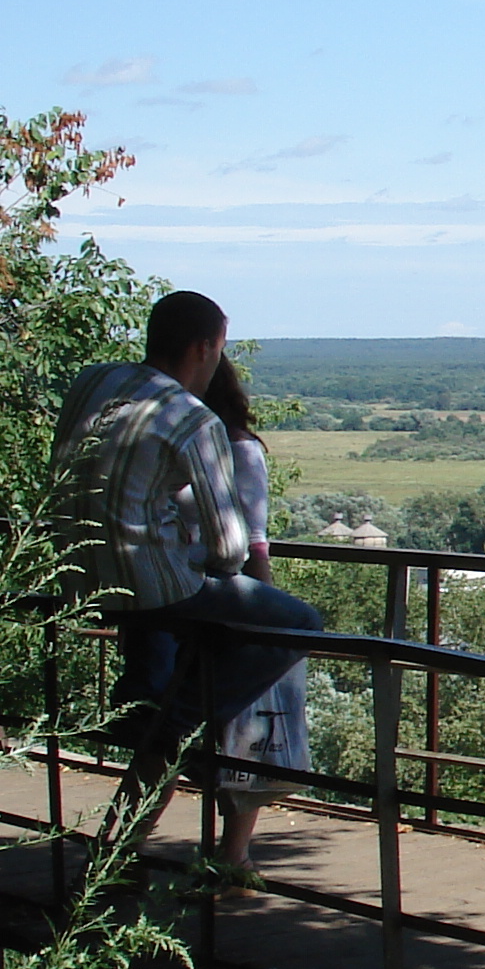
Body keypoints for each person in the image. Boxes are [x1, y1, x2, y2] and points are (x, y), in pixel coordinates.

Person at [52, 290, 325, 853]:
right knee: (299, 623)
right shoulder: (192, 418)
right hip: (152, 587)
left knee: (172, 640)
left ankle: (149, 716)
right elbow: (229, 550)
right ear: (205, 347)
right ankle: (179, 724)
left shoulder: (93, 382)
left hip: (75, 578)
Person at [185, 355, 310, 883]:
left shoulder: (180, 444)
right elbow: (254, 540)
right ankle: (233, 857)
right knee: (246, 731)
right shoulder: (237, 449)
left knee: (178, 726)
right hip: (229, 604)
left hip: (177, 603)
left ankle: (122, 855)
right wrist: (269, 612)